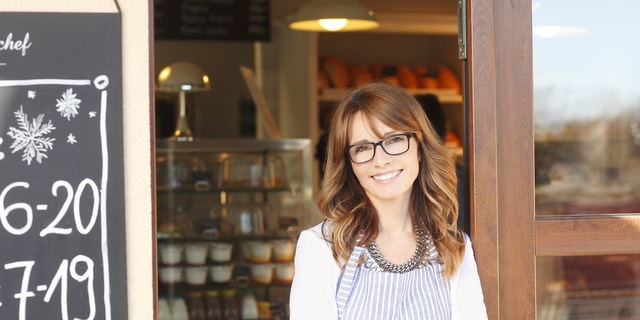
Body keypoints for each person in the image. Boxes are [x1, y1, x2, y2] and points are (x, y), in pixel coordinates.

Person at [290, 82, 487, 320]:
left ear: (420, 148)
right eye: (362, 147)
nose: (381, 160)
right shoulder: (321, 247)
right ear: (349, 163)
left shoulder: (454, 248)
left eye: (394, 140)